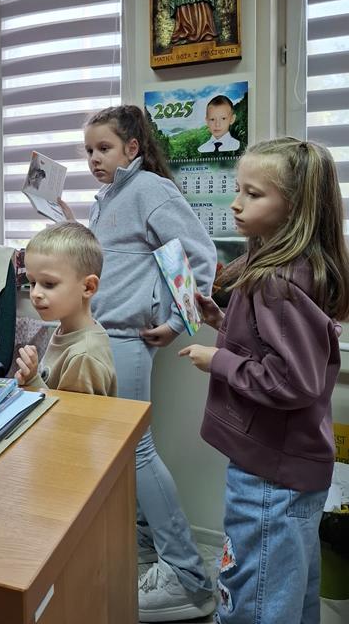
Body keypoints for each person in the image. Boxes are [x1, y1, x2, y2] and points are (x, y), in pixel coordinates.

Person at [180, 138, 349, 624]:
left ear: (293, 208)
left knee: (252, 603)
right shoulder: (296, 269)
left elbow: (292, 381)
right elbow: (275, 346)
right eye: (238, 189)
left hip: (270, 478)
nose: (236, 203)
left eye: (253, 194)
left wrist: (219, 360)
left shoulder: (276, 282)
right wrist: (224, 323)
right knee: (290, 596)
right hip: (290, 469)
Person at [60, 105, 217, 622]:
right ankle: (150, 547)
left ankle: (190, 577)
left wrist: (179, 322)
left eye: (103, 148)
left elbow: (196, 255)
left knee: (137, 451)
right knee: (122, 453)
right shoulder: (109, 198)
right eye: (88, 150)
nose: (93, 158)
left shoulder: (149, 188)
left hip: (128, 337)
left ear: (132, 148)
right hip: (105, 334)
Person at [15, 222, 116, 396]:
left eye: (49, 284)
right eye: (32, 282)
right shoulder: (66, 331)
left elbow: (71, 413)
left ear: (88, 287)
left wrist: (33, 381)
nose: (36, 293)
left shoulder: (84, 355)